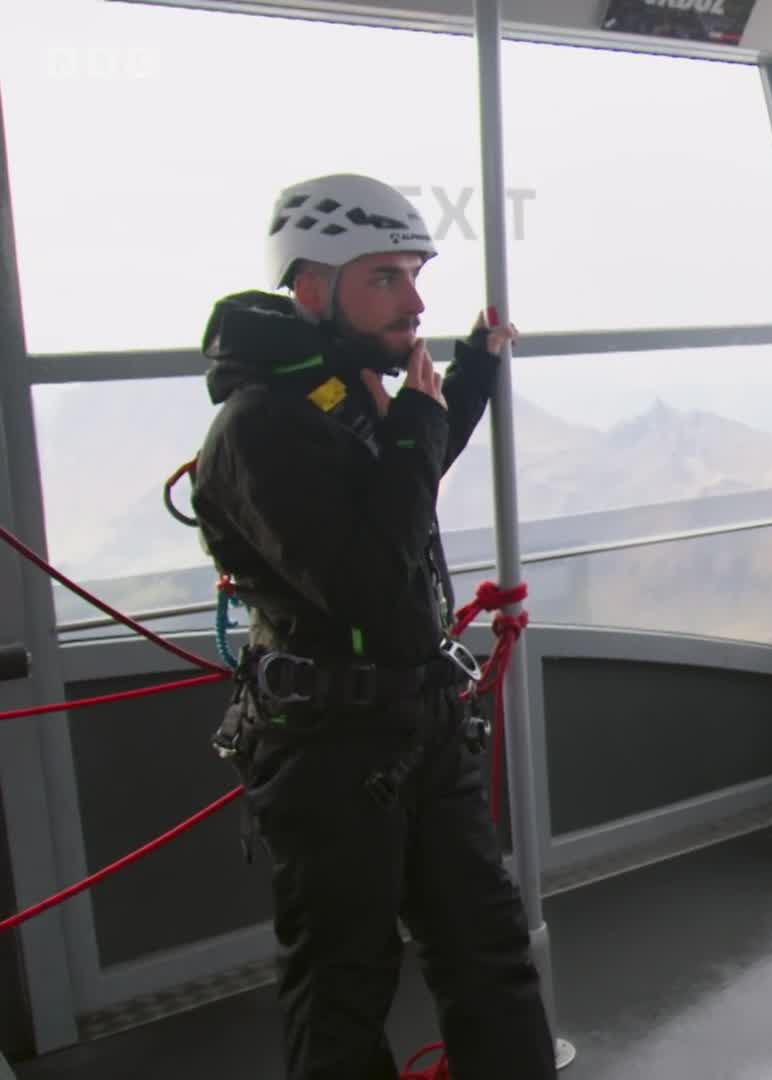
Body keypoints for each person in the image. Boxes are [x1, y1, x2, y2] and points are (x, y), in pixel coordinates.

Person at [191, 173, 557, 1080]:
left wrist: (468, 375)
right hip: (330, 750)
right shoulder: (259, 429)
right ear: (312, 287)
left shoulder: (337, 393)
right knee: (343, 990)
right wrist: (420, 422)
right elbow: (366, 583)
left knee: (489, 954)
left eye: (414, 276)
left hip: (415, 726)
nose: (414, 302)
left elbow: (405, 472)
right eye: (385, 278)